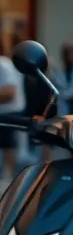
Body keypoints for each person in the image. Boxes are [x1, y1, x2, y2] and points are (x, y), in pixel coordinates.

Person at [0, 36, 23, 178]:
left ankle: (6, 180)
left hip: (8, 113)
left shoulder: (3, 64)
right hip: (6, 112)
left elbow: (10, 92)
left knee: (8, 147)